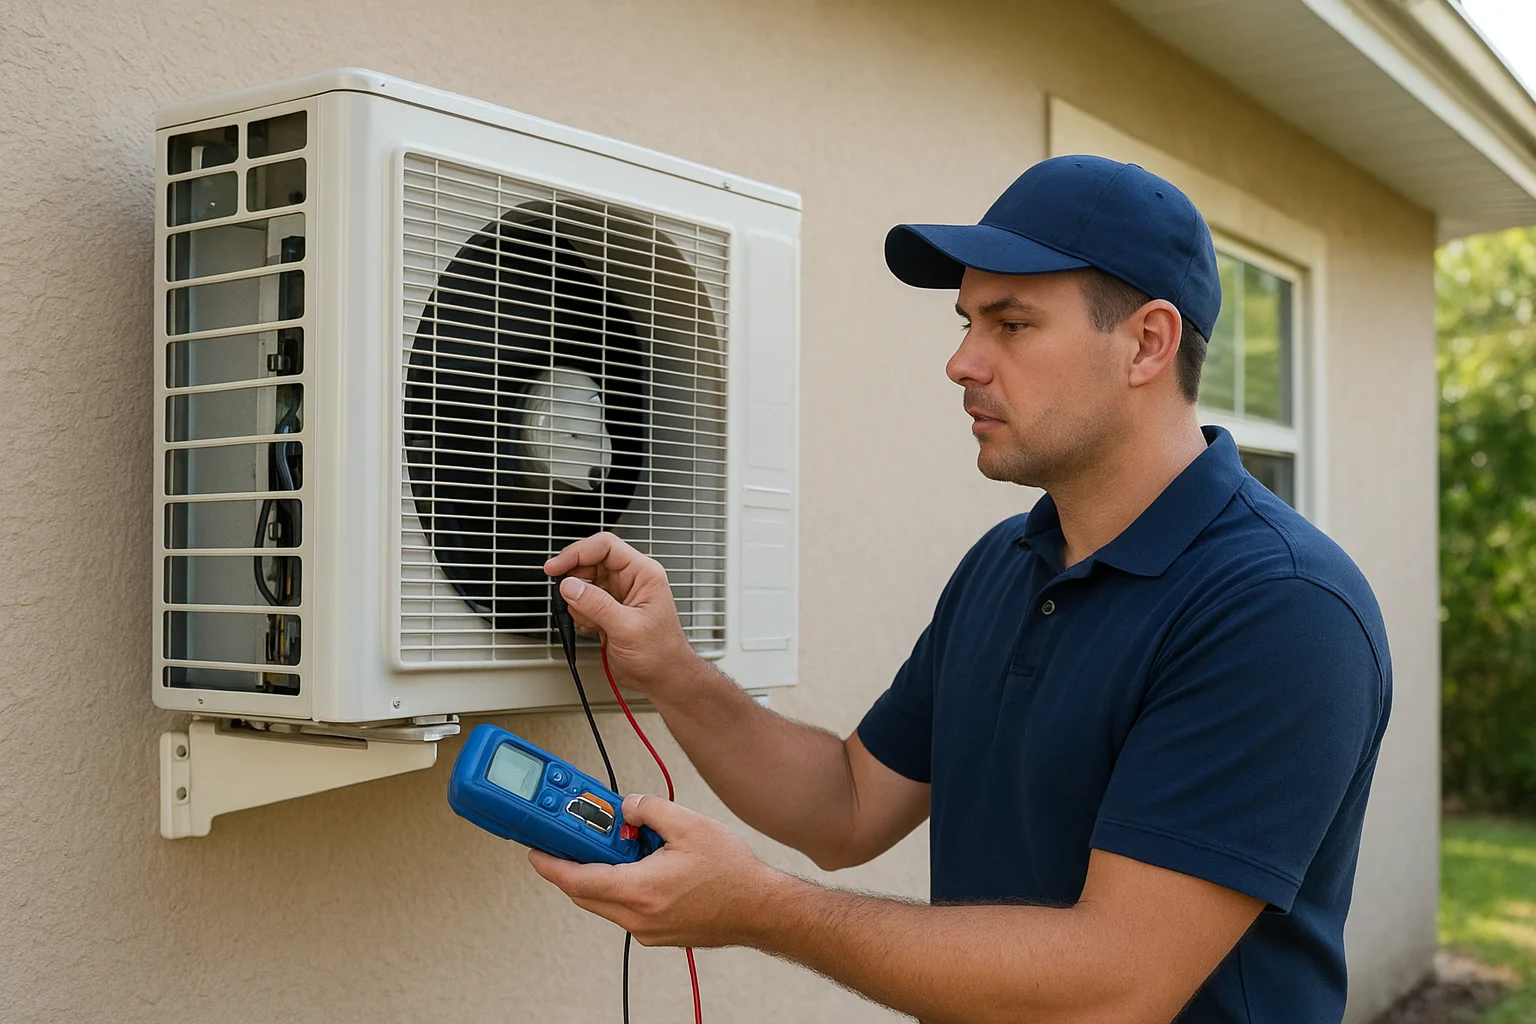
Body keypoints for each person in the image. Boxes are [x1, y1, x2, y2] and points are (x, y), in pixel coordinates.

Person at [531, 155, 1392, 1024]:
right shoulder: (1004, 565)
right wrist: (672, 669)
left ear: (1148, 343)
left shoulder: (1281, 607)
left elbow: (1114, 985)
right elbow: (849, 805)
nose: (961, 362)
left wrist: (758, 907)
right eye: (967, 321)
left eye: (1011, 325)